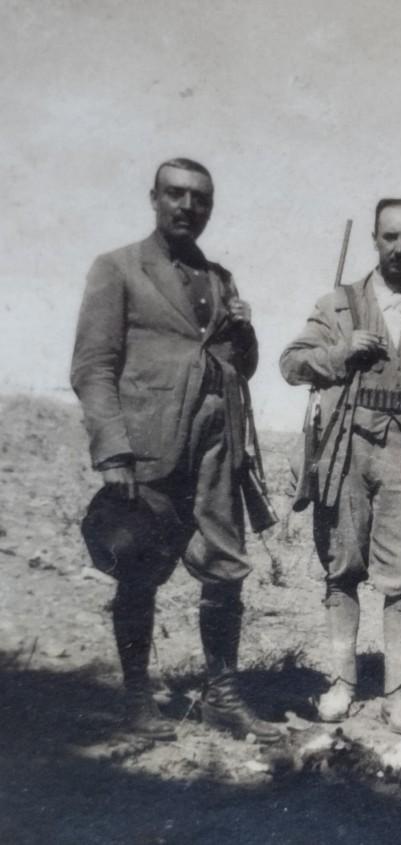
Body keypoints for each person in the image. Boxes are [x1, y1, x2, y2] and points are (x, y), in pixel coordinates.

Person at [71, 158, 282, 743]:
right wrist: (113, 452)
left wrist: (245, 330)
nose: (188, 207)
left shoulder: (219, 278)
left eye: (200, 199)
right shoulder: (117, 268)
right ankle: (138, 699)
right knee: (139, 569)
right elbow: (93, 366)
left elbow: (239, 367)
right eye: (176, 194)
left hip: (217, 451)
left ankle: (223, 697)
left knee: (226, 569)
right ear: (154, 198)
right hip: (148, 449)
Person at [279, 198, 401, 733]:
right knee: (342, 568)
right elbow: (291, 364)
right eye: (390, 237)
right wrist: (341, 351)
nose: (399, 248)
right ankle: (343, 683)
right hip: (347, 449)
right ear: (375, 240)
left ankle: (397, 694)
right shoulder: (338, 304)